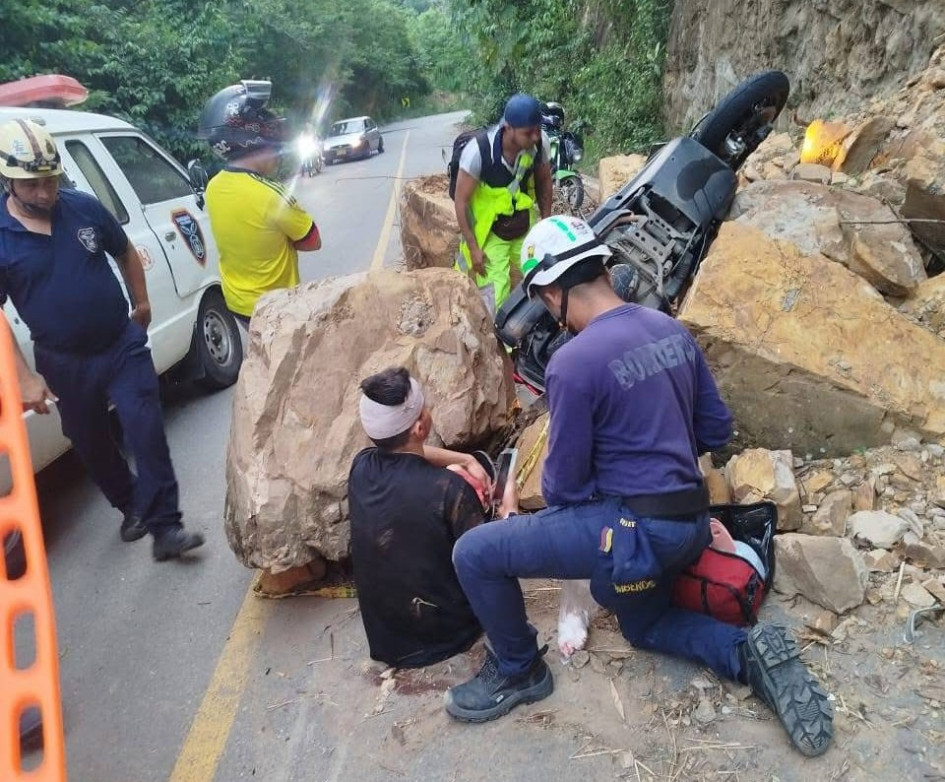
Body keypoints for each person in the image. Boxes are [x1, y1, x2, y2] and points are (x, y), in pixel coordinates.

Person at [445, 216, 833, 757]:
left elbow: (562, 488)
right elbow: (717, 430)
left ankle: (518, 669)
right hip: (688, 525)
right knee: (642, 624)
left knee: (476, 552)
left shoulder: (572, 362)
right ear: (604, 267)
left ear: (552, 293)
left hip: (631, 535)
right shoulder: (670, 330)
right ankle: (746, 654)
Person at [0, 119, 204, 560]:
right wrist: (23, 377)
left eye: (51, 180)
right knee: (89, 440)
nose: (45, 192)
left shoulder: (82, 208)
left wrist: (142, 301)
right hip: (62, 360)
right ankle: (131, 505)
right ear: (8, 180)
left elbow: (125, 249)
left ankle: (166, 528)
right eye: (33, 185)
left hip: (118, 342)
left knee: (145, 427)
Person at [348, 366, 515, 669]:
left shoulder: (361, 468)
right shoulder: (450, 491)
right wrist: (509, 510)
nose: (428, 411)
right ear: (419, 428)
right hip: (447, 636)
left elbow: (414, 455)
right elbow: (497, 560)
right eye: (424, 408)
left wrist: (465, 459)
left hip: (387, 641)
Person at [198, 80, 322, 327]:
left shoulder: (213, 187)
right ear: (255, 141)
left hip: (237, 304)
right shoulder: (272, 194)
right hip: (278, 306)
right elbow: (312, 241)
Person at [453, 93, 552, 315]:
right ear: (508, 128)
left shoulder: (539, 143)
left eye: (538, 129)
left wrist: (547, 223)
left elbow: (544, 181)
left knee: (548, 274)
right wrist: (473, 248)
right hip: (491, 233)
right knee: (495, 296)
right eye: (529, 132)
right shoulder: (478, 153)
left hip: (523, 225)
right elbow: (461, 202)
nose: (536, 136)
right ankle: (501, 345)